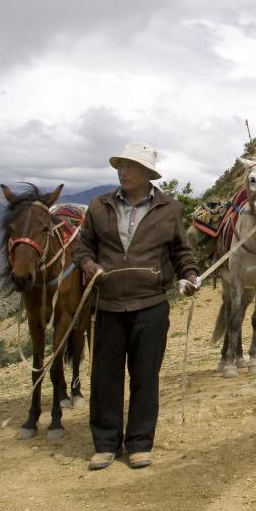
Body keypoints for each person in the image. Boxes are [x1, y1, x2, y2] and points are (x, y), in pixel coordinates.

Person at [74, 141, 200, 470]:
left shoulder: (170, 209)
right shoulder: (98, 206)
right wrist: (90, 267)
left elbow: (181, 252)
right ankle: (105, 444)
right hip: (108, 305)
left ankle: (140, 444)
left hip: (151, 306)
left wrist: (189, 275)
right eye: (120, 165)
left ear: (148, 174)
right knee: (105, 377)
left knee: (146, 376)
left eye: (131, 166)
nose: (123, 171)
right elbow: (82, 249)